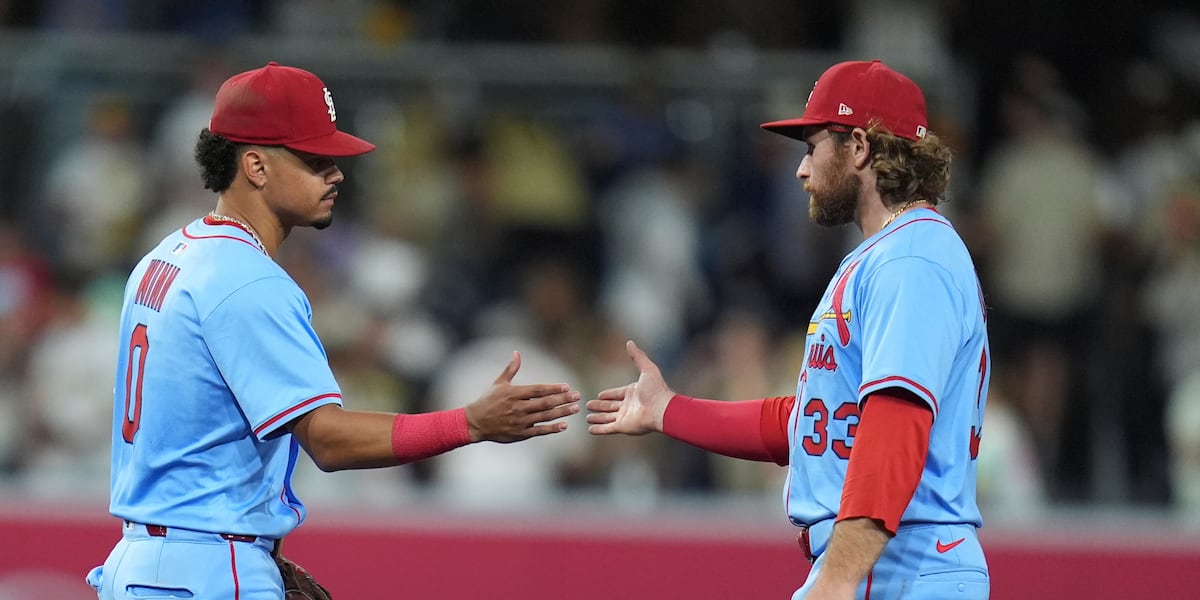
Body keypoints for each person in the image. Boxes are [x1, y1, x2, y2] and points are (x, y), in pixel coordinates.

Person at [85, 61, 581, 599]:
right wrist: (471, 424)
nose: (336, 173)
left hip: (145, 562)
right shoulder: (249, 280)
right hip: (206, 566)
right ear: (255, 165)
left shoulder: (166, 257)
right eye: (315, 159)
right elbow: (328, 440)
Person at [587, 59, 991, 599]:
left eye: (812, 147)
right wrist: (668, 410)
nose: (801, 171)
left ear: (859, 149)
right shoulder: (886, 256)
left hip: (902, 564)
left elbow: (896, 427)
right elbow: (812, 424)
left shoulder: (912, 259)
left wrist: (838, 579)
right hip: (884, 561)